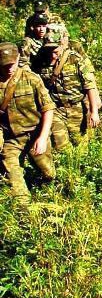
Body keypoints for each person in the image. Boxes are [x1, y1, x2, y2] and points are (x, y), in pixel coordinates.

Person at [0, 41, 56, 205]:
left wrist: (43, 137)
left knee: (48, 173)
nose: (9, 68)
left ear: (18, 59)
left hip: (35, 134)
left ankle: (44, 189)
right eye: (4, 65)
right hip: (11, 139)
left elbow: (48, 109)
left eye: (12, 63)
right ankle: (25, 213)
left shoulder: (31, 79)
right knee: (14, 180)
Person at [33, 30, 101, 151]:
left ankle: (78, 166)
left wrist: (94, 111)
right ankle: (65, 164)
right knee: (61, 146)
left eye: (55, 51)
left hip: (77, 109)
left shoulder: (75, 59)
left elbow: (89, 85)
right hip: (56, 109)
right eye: (50, 51)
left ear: (61, 45)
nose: (53, 55)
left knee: (80, 145)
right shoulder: (40, 61)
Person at [20, 1, 50, 67]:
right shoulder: (31, 20)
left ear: (46, 10)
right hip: (35, 42)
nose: (40, 13)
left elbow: (64, 36)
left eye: (42, 11)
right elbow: (28, 35)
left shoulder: (54, 19)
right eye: (38, 11)